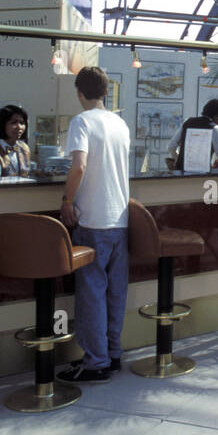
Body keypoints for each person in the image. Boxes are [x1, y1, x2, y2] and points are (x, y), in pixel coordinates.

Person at [58, 67, 131, 384]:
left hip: (92, 220)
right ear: (106, 91)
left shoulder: (81, 122)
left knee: (91, 294)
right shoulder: (119, 123)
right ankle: (113, 354)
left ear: (79, 92)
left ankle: (96, 361)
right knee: (115, 292)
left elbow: (79, 166)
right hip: (120, 219)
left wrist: (66, 200)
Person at [167, 98, 218, 173]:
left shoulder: (187, 122)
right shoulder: (214, 129)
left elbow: (171, 146)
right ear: (216, 116)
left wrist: (178, 160)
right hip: (202, 175)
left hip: (182, 174)